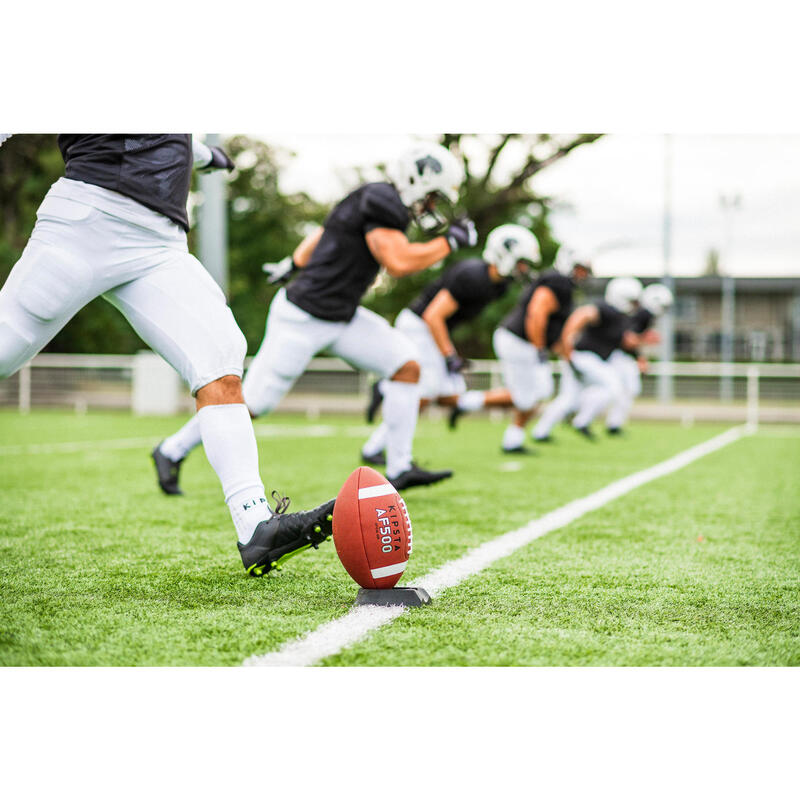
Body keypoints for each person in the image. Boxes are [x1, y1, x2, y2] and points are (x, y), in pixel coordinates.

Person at [0, 134, 335, 578]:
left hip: (160, 245)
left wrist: (202, 154)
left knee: (222, 356)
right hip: (88, 219)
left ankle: (256, 526)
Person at [154, 143, 476, 493]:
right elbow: (398, 262)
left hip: (342, 317)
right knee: (256, 403)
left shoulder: (369, 198)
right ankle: (171, 450)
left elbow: (324, 233)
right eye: (431, 196)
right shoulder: (384, 201)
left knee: (406, 365)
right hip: (303, 319)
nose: (429, 206)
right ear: (416, 179)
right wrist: (450, 243)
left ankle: (399, 468)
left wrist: (293, 263)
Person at [360, 223, 540, 464]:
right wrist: (449, 356)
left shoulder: (499, 286)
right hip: (420, 326)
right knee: (426, 390)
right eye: (521, 262)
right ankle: (376, 447)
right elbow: (433, 315)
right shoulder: (473, 275)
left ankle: (385, 390)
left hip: (433, 329)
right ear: (505, 253)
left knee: (450, 394)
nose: (524, 268)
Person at [447, 248, 592, 454]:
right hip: (520, 341)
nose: (583, 274)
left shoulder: (562, 285)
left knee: (532, 393)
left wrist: (565, 355)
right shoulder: (558, 281)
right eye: (580, 269)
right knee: (531, 394)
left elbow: (555, 331)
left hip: (522, 342)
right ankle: (469, 405)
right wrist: (539, 348)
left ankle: (508, 436)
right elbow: (537, 313)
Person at [533, 276, 644, 441]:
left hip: (587, 359)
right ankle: (581, 421)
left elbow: (625, 340)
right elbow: (581, 315)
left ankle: (541, 432)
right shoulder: (606, 309)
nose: (635, 305)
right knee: (613, 385)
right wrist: (566, 343)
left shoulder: (619, 317)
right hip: (584, 357)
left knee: (569, 398)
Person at [605, 282, 674, 434]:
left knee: (625, 390)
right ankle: (611, 424)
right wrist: (645, 342)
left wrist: (640, 357)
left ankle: (614, 424)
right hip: (619, 356)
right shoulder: (643, 315)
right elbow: (629, 339)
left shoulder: (642, 314)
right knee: (620, 389)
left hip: (623, 356)